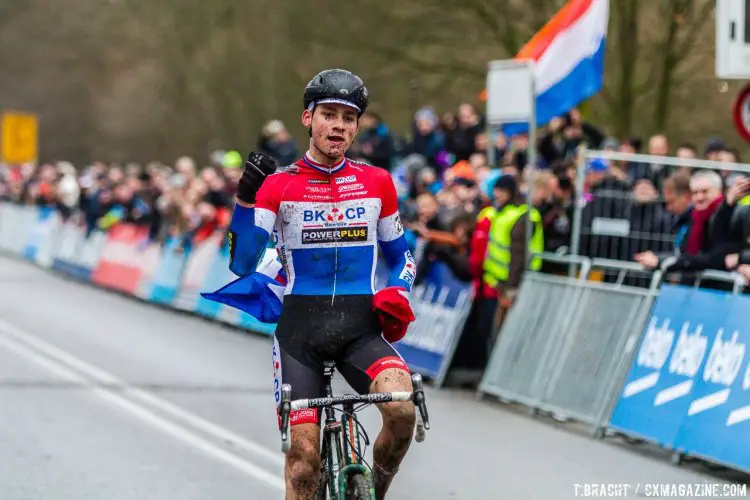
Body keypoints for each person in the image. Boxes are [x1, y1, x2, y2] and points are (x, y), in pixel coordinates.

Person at [204, 69, 418, 500]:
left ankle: (374, 489)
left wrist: (398, 289)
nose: (338, 126)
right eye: (329, 115)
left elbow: (403, 258)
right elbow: (242, 262)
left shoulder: (377, 182)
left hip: (361, 329)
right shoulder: (279, 186)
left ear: (357, 126)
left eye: (348, 118)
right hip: (301, 334)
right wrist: (245, 201)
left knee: (402, 407)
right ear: (308, 119)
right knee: (303, 464)